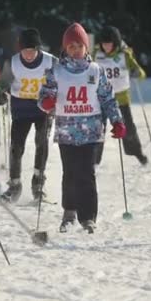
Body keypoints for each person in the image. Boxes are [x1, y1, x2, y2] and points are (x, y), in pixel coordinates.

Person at [38, 23, 125, 234]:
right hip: (66, 131)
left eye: (79, 46)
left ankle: (88, 217)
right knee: (69, 173)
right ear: (65, 49)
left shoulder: (96, 71)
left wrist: (117, 121)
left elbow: (107, 98)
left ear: (86, 48)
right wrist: (47, 102)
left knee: (87, 173)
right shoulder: (56, 71)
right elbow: (43, 97)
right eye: (71, 47)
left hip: (91, 131)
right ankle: (69, 213)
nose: (75, 50)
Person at [0, 28, 57, 203]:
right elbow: (2, 83)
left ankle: (38, 184)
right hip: (21, 109)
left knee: (41, 142)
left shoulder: (50, 61)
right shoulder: (13, 63)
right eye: (25, 51)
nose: (28, 55)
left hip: (42, 109)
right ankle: (14, 185)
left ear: (38, 49)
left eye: (32, 51)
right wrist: (0, 93)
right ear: (19, 49)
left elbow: (64, 76)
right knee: (16, 147)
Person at [93, 25, 148, 166]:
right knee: (99, 129)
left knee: (128, 127)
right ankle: (93, 159)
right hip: (102, 99)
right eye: (103, 44)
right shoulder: (95, 54)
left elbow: (140, 72)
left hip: (121, 98)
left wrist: (137, 73)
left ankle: (137, 153)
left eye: (109, 44)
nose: (106, 47)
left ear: (115, 43)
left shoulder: (125, 54)